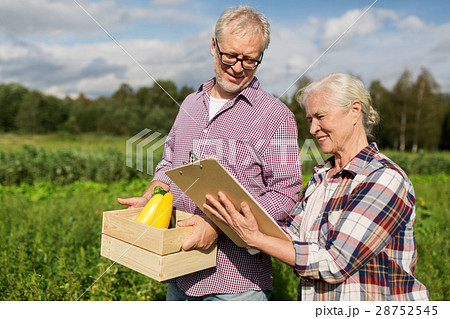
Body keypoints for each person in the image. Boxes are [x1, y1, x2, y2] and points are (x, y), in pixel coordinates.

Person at [117, 5, 302, 301]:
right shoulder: (190, 104)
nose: (239, 67)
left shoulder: (275, 116)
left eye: (250, 60)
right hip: (178, 274)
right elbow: (168, 163)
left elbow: (285, 193)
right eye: (230, 55)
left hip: (235, 286)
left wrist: (218, 225)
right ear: (213, 45)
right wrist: (152, 199)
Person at [204, 72, 429, 301]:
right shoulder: (321, 176)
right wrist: (237, 218)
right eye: (310, 120)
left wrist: (257, 238)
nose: (313, 129)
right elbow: (290, 234)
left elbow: (335, 263)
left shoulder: (383, 178)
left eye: (321, 116)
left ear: (354, 111)